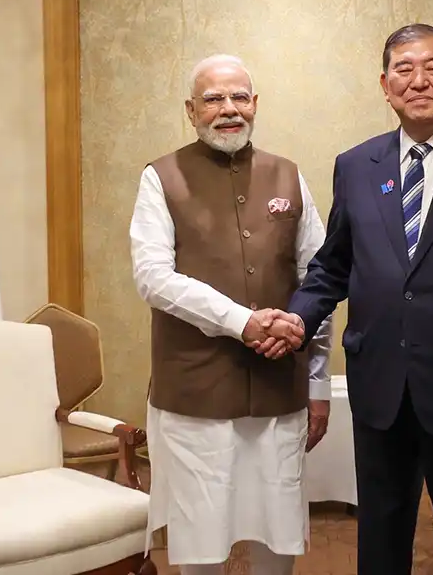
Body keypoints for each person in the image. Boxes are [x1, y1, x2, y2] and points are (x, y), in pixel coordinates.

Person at [254, 24, 433, 574]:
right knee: (381, 539)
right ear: (385, 86)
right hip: (380, 383)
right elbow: (333, 264)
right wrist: (296, 319)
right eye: (404, 69)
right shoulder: (356, 165)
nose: (419, 80)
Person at [129, 54, 332, 575]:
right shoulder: (161, 177)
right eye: (213, 99)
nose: (228, 109)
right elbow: (152, 277)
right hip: (194, 396)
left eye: (239, 97)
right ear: (190, 110)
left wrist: (318, 385)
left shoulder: (288, 175)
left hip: (279, 390)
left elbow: (319, 276)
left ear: (255, 104)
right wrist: (242, 322)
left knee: (278, 533)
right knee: (201, 539)